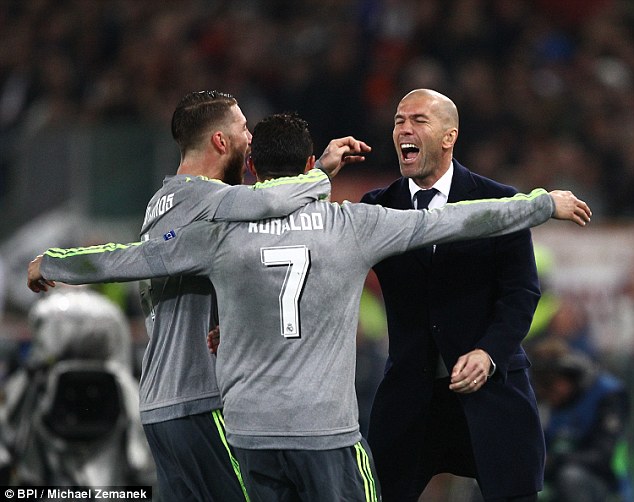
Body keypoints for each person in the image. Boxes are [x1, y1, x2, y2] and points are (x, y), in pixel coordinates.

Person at [27, 112, 590, 501]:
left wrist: (54, 262)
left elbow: (131, 258)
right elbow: (461, 218)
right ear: (310, 167)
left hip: (250, 434)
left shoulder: (219, 234)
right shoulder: (353, 225)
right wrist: (542, 204)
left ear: (253, 170)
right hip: (325, 434)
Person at [29, 90, 370, 502]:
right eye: (244, 129)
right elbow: (273, 198)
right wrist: (321, 172)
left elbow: (130, 257)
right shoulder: (208, 200)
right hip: (201, 400)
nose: (250, 141)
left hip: (160, 407)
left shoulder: (162, 203)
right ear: (221, 141)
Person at [359, 88, 560, 502]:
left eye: (419, 120)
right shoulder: (378, 207)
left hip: (490, 391)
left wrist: (488, 353)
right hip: (410, 398)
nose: (404, 129)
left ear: (449, 136)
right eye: (398, 121)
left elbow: (521, 293)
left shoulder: (501, 201)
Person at [529, 339, 631, 502]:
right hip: (553, 475)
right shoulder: (543, 403)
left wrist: (555, 461)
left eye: (550, 384)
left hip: (604, 480)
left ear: (567, 375)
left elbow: (603, 455)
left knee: (571, 477)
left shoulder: (607, 394)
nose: (547, 394)